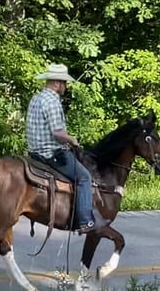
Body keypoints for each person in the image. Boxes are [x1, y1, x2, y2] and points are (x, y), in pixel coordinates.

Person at [26, 63, 109, 234]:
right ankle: (86, 221)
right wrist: (72, 140)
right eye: (64, 83)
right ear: (56, 83)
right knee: (85, 177)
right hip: (51, 154)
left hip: (34, 154)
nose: (65, 87)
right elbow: (57, 133)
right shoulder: (52, 102)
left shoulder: (36, 98)